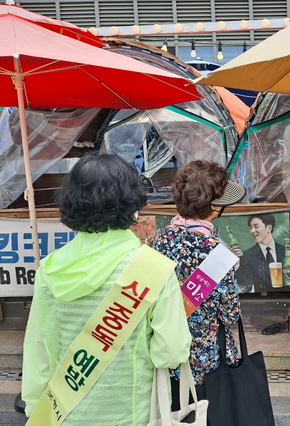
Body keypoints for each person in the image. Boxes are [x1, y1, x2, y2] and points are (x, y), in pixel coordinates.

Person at [21, 153, 191, 425]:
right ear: (132, 204)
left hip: (64, 413)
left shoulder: (50, 268)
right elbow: (170, 353)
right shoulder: (153, 268)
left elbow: (38, 351)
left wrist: (34, 409)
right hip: (133, 415)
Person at [152, 160, 246, 404]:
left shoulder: (159, 240)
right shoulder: (216, 253)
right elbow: (230, 315)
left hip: (167, 352)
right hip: (207, 359)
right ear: (214, 208)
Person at [234, 214, 287, 293]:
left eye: (256, 226)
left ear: (269, 228)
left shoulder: (287, 251)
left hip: (288, 299)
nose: (252, 231)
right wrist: (236, 265)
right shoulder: (247, 256)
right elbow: (246, 288)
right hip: (261, 301)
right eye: (251, 227)